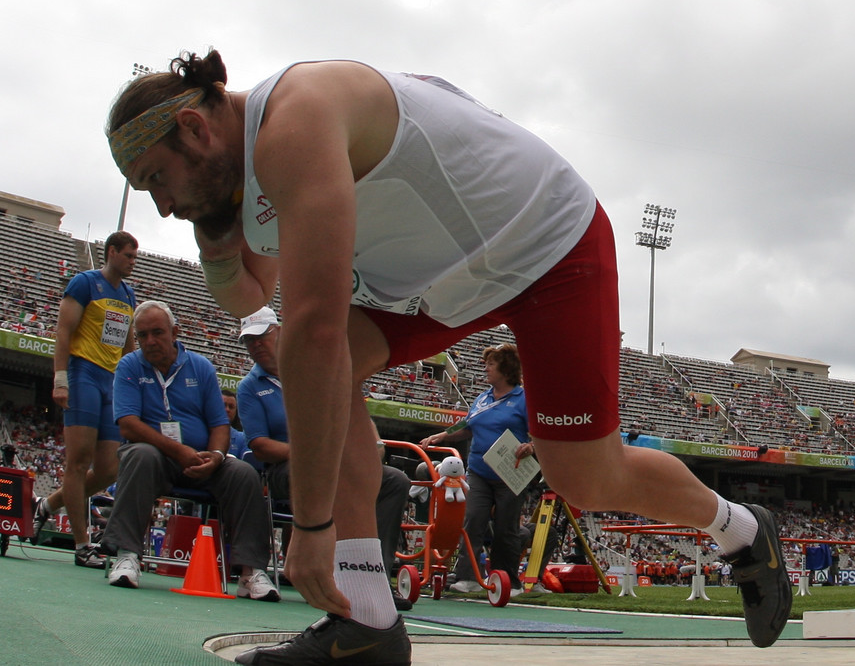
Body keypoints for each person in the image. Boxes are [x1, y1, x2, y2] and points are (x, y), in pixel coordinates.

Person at [106, 49, 790, 663]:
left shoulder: (295, 121)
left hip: (546, 245)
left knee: (583, 476)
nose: (161, 206)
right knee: (330, 366)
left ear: (196, 131)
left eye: (156, 180)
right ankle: (368, 620)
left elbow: (311, 329)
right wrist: (214, 233)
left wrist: (312, 525)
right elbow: (250, 292)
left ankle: (737, 525)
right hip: (443, 277)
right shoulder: (249, 170)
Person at [235, 306, 412, 609]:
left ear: (278, 332)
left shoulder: (314, 368)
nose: (256, 346)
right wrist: (312, 451)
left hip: (331, 459)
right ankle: (336, 571)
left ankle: (375, 575)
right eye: (249, 341)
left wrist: (372, 443)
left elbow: (356, 411)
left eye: (260, 337)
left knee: (395, 480)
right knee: (328, 474)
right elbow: (261, 446)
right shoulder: (249, 387)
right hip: (287, 469)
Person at [101, 300, 279, 602]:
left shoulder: (201, 367)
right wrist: (178, 450)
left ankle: (251, 571)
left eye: (157, 333)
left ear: (175, 332)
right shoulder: (129, 365)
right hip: (156, 457)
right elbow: (128, 424)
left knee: (243, 473)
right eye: (142, 335)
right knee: (139, 455)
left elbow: (220, 424)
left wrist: (217, 457)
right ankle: (128, 555)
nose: (150, 341)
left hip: (200, 459)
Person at [34, 231, 138, 568]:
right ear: (111, 252)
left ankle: (47, 505)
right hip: (82, 375)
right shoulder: (84, 283)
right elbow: (63, 331)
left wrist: (132, 385)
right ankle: (82, 545)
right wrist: (60, 379)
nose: (133, 262)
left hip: (111, 381)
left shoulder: (128, 294)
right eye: (129, 255)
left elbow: (127, 346)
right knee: (78, 461)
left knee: (109, 469)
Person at [420, 343, 533, 595]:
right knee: (472, 521)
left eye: (491, 364)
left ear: (506, 368)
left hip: (510, 472)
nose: (486, 369)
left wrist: (531, 446)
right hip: (478, 471)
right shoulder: (482, 398)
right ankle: (468, 577)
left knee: (506, 527)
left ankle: (507, 581)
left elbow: (539, 432)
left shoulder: (523, 398)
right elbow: (466, 425)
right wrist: (441, 435)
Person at [221, 389, 249, 462]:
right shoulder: (202, 433)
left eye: (231, 407)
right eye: (223, 405)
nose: (227, 409)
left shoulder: (243, 438)